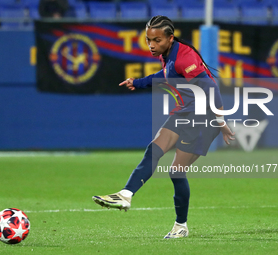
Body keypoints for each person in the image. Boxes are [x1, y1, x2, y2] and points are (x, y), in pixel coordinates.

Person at [92, 16, 235, 239]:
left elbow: (211, 89)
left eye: (156, 40)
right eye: (149, 40)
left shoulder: (184, 57)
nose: (151, 45)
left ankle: (181, 226)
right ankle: (126, 194)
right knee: (154, 149)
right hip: (185, 112)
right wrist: (138, 82)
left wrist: (221, 123)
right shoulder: (168, 55)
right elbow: (165, 76)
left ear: (170, 38)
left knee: (176, 171)